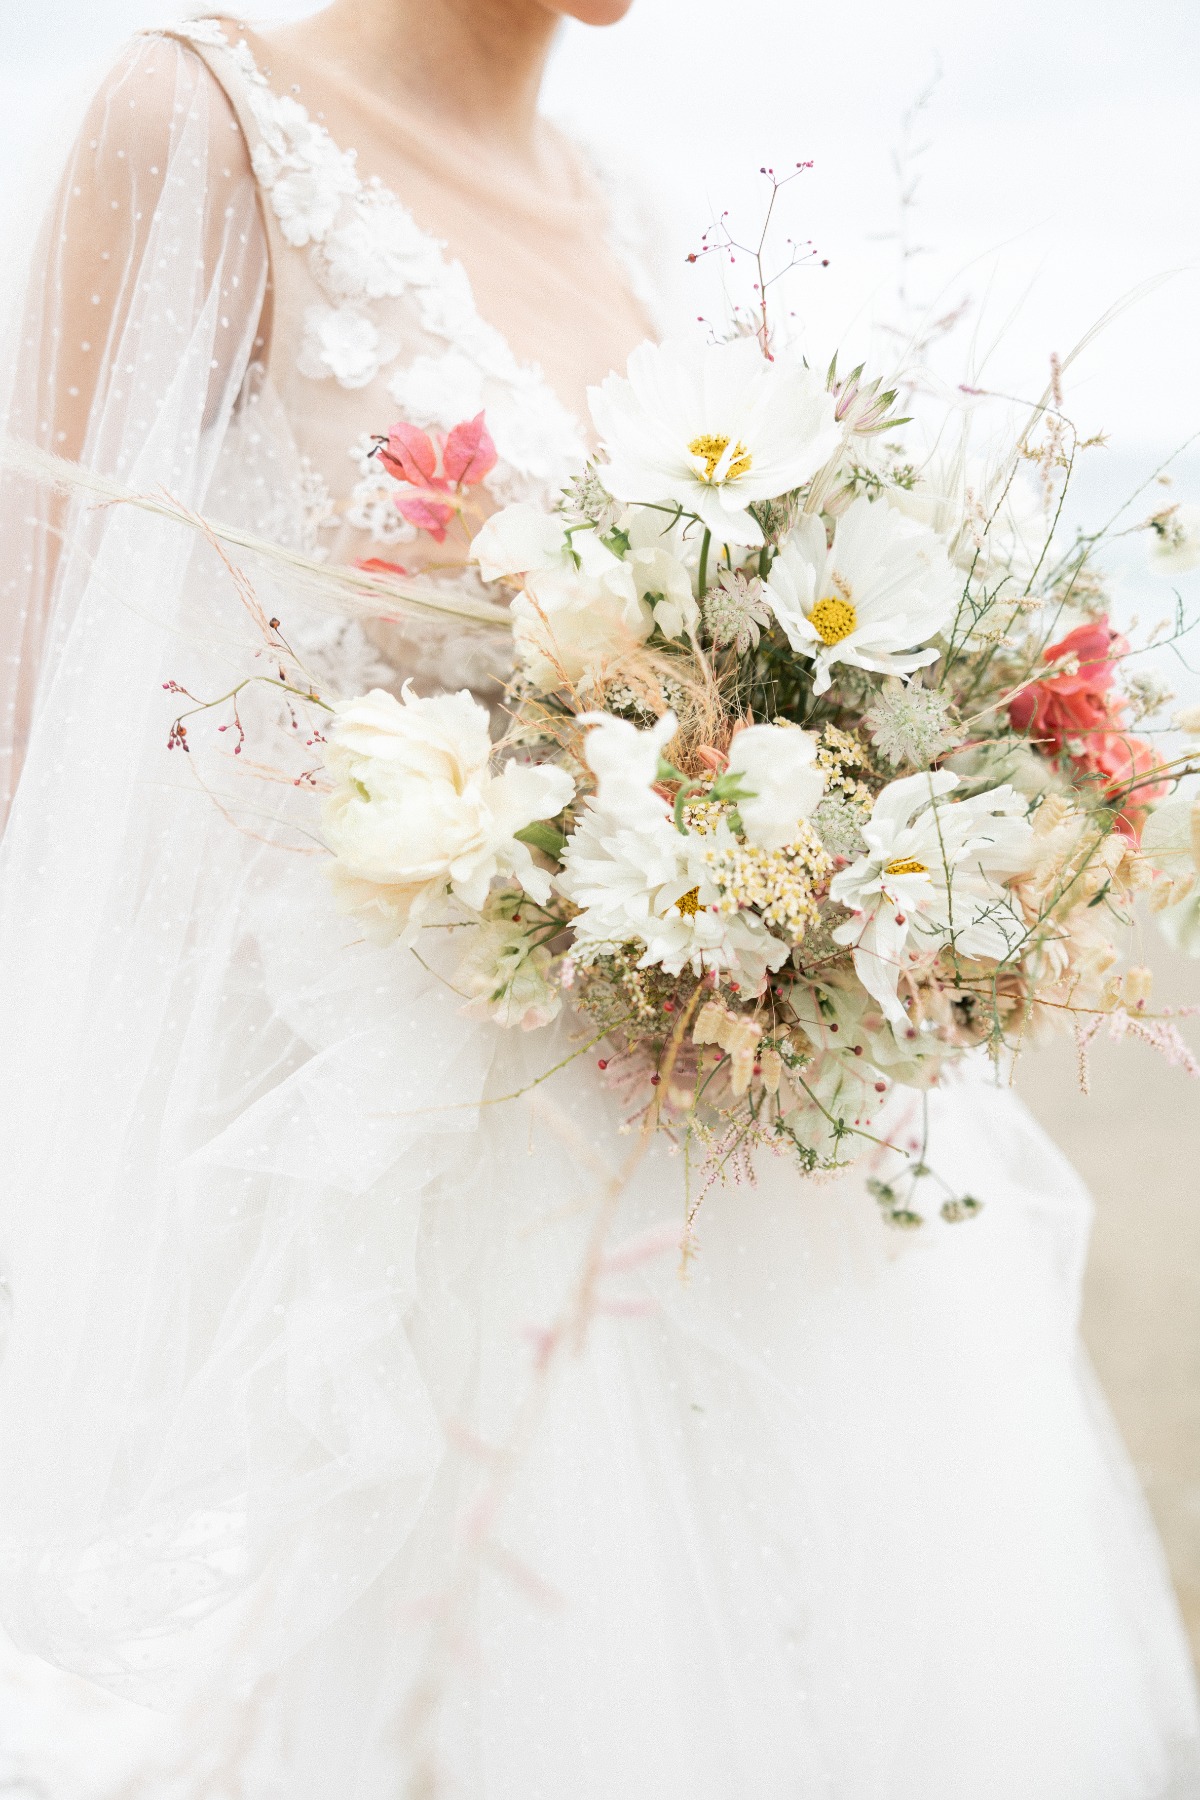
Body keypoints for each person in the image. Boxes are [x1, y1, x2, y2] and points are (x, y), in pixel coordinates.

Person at [0, 3, 1197, 1795]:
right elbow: (54, 738)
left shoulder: (625, 208)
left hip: (748, 1192)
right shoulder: (199, 121)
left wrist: (844, 864)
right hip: (425, 1214)